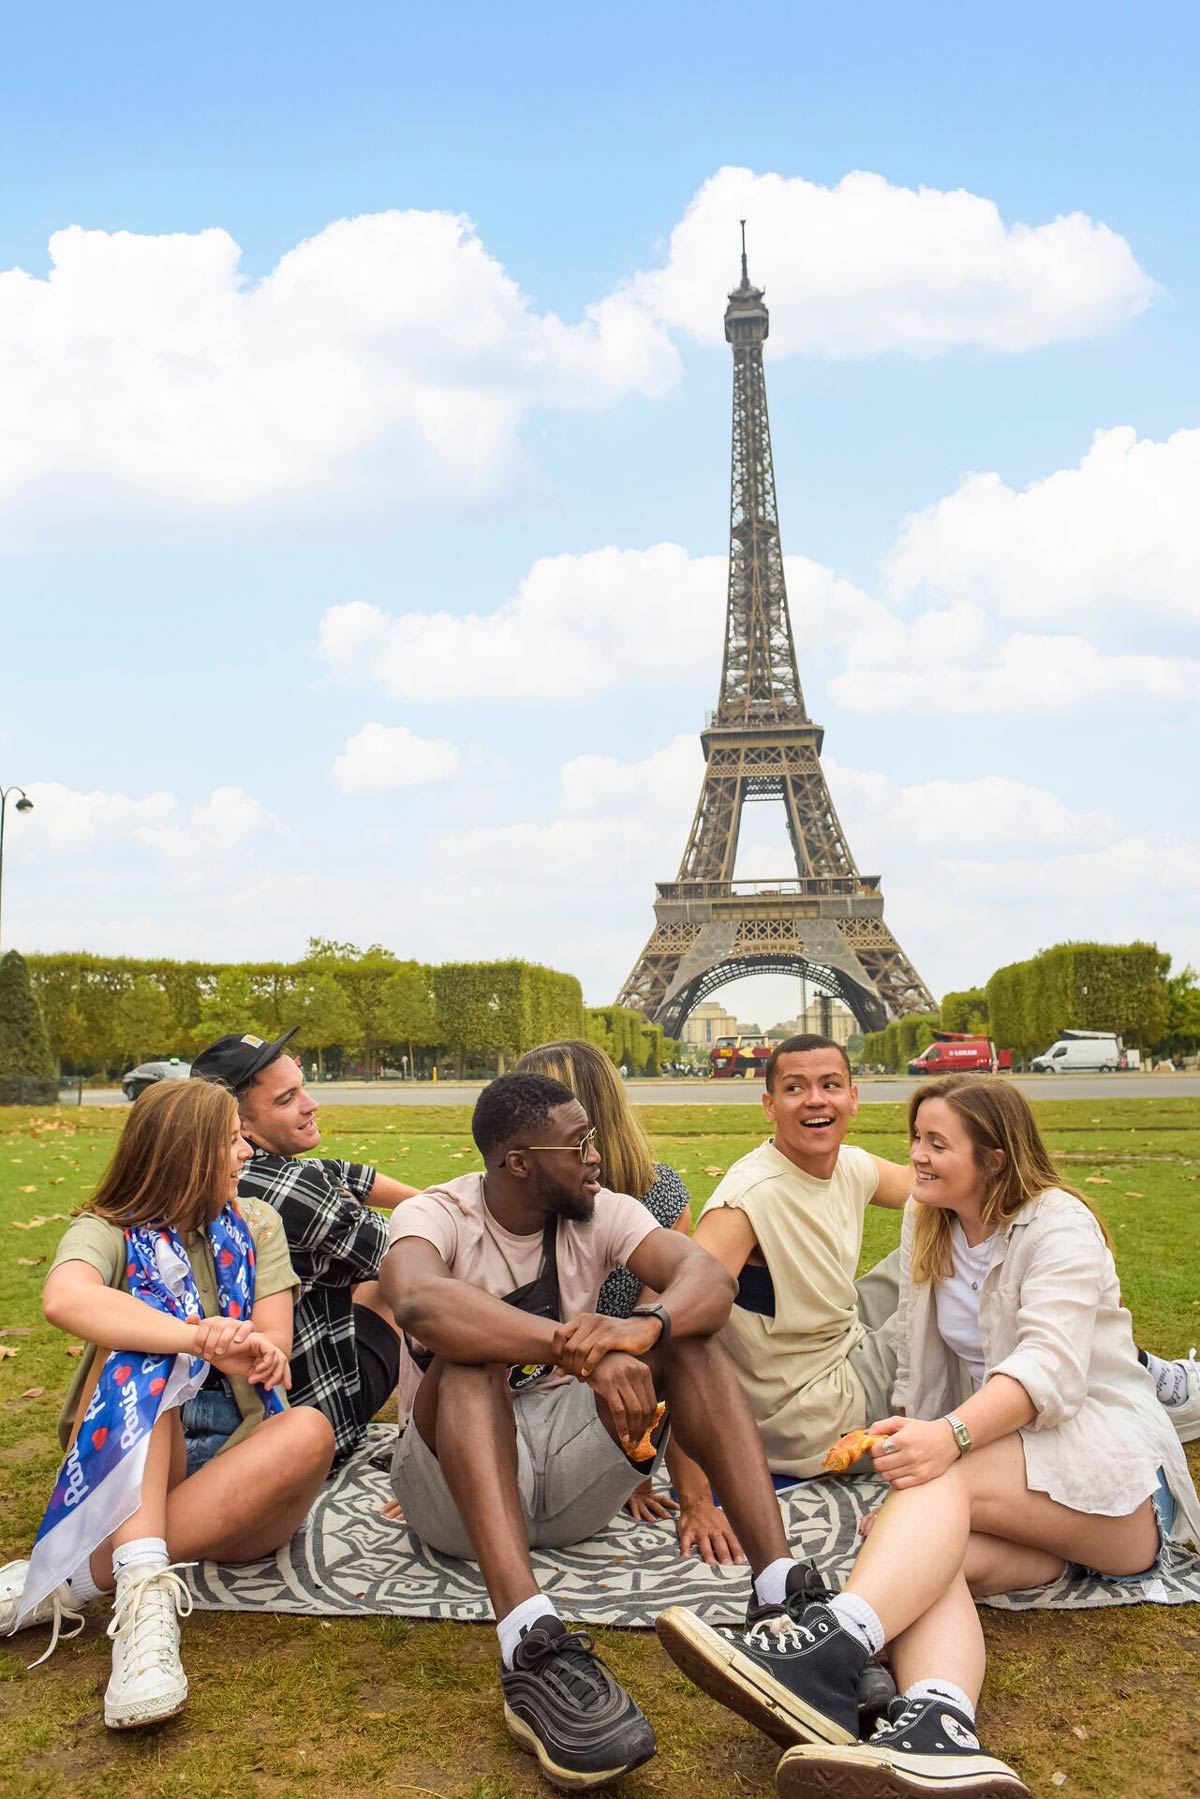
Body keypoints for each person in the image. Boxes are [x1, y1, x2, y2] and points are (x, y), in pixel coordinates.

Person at [656, 1076, 1200, 1798]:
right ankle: (939, 1729)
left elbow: (1050, 1368)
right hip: (1030, 1501)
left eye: (937, 1143)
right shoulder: (930, 1219)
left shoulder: (1058, 1224)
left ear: (996, 1159)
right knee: (924, 1552)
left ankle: (831, 1645)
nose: (915, 1156)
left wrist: (946, 1440)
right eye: (915, 1138)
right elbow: (920, 1367)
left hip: (1120, 1489)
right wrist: (915, 1473)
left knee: (938, 1479)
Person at [379, 1072, 833, 1791]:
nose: (595, 1156)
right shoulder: (438, 1213)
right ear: (518, 1161)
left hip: (566, 1482)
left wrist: (643, 1325)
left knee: (690, 1336)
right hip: (455, 1501)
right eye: (577, 1143)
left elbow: (708, 1277)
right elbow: (418, 1301)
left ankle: (783, 1595)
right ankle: (529, 1640)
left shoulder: (600, 1209)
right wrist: (577, 1347)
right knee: (470, 1358)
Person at [0, 1080, 334, 1728]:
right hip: (130, 1455)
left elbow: (276, 1344)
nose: (244, 1150)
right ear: (188, 1153)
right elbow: (64, 1298)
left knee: (311, 1430)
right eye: (230, 1139)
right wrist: (193, 1338)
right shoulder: (108, 1227)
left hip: (241, 1462)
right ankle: (144, 1622)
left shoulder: (256, 1221)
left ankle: (66, 1579)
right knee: (152, 1358)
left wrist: (256, 1349)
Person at [515, 1039, 743, 1565]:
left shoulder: (655, 1197)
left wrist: (685, 1495)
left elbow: (673, 1335)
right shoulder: (526, 1199)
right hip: (528, 1390)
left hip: (616, 1396)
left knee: (680, 1332)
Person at [190, 1028, 418, 1464]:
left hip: (239, 1405)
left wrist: (433, 1200)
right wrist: (454, 1214)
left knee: (352, 1275)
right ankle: (434, 1436)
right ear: (242, 1126)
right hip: (312, 1422)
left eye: (302, 1087)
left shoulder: (218, 1173)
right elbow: (411, 1252)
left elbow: (338, 1171)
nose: (310, 1104)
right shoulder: (290, 1194)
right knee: (407, 1286)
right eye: (285, 1099)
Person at [692, 1034, 913, 1478]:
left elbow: (937, 1193)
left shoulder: (851, 1166)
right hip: (815, 1412)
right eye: (795, 1088)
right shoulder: (745, 1203)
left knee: (932, 1247)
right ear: (769, 1104)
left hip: (839, 1350)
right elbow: (679, 1330)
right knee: (951, 1288)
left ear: (853, 1098)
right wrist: (696, 1490)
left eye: (830, 1085)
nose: (815, 1100)